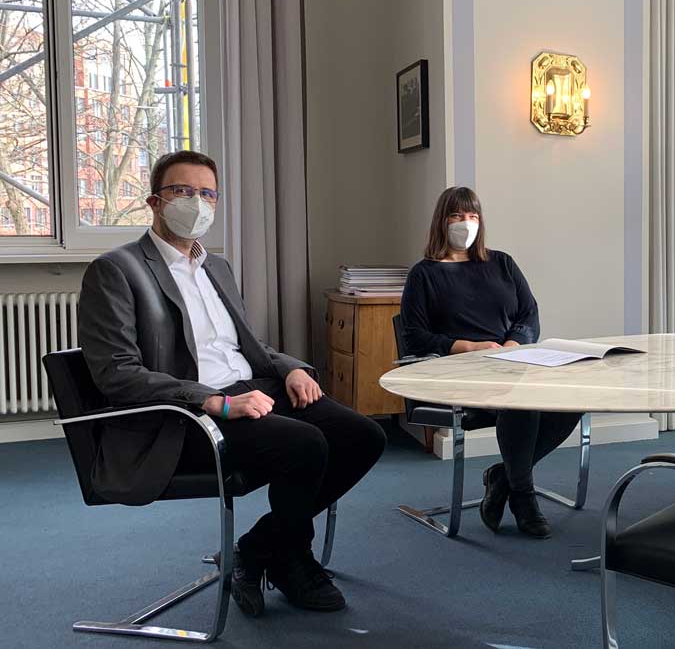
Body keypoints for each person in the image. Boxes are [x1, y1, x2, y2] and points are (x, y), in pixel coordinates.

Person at [77, 150, 386, 617]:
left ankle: (258, 550)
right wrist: (215, 402)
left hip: (254, 386)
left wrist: (292, 368)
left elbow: (246, 344)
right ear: (154, 202)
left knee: (364, 436)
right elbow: (117, 373)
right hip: (188, 416)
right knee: (307, 445)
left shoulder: (215, 266)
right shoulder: (116, 270)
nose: (196, 202)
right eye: (182, 191)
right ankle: (292, 558)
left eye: (207, 193)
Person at [400, 186, 582, 539]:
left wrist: (513, 344)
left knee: (569, 400)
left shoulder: (502, 263)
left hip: (511, 360)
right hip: (458, 370)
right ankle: (524, 498)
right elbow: (414, 337)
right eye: (456, 216)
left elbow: (529, 313)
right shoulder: (424, 274)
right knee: (519, 401)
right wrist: (468, 347)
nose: (465, 224)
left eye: (472, 216)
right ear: (442, 221)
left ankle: (503, 478)